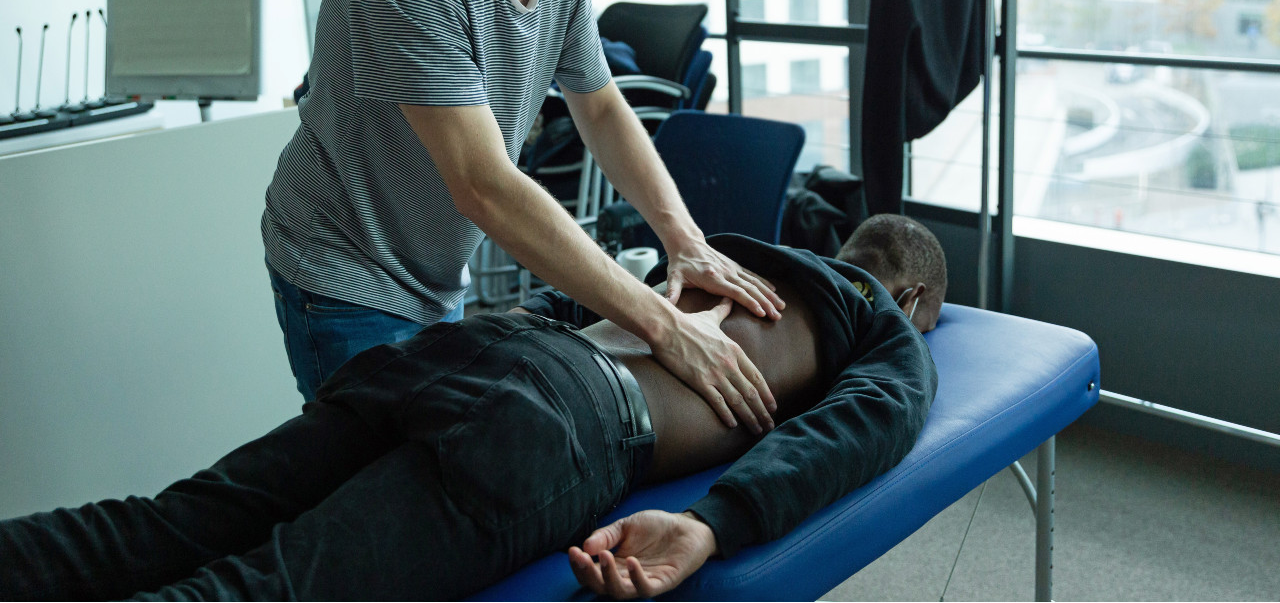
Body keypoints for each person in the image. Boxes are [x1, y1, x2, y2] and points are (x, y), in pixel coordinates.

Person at [0, 216, 944, 600]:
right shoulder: (878, 324)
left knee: (167, 524)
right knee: (264, 590)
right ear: (910, 301)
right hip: (559, 415)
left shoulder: (731, 252)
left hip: (469, 346)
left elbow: (589, 301)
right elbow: (862, 428)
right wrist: (711, 524)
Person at [260, 0, 785, 430]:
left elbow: (599, 105)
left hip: (435, 268)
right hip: (343, 269)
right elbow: (482, 184)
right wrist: (662, 325)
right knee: (378, 493)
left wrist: (684, 238)